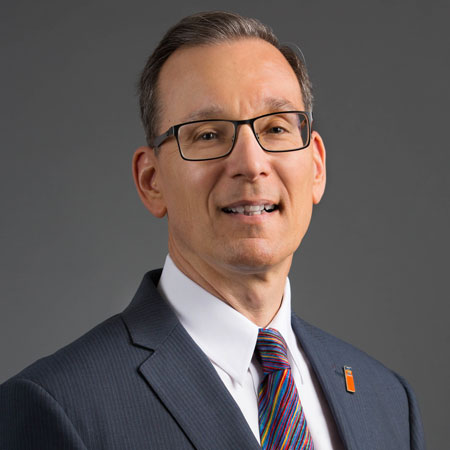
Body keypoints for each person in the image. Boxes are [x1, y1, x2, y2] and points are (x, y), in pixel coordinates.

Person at [0, 11, 425, 450]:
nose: (250, 164)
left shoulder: (387, 400)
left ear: (315, 167)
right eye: (207, 135)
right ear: (152, 181)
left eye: (276, 128)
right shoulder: (57, 406)